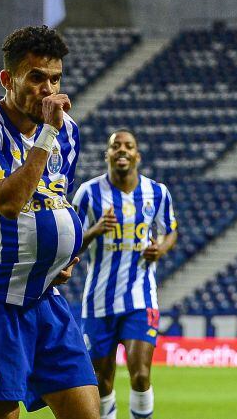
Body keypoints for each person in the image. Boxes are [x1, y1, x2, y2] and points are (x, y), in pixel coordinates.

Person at [0, 25, 99, 419]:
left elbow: (53, 201)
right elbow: (10, 202)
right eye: (36, 77)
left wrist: (58, 259)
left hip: (44, 297)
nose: (48, 90)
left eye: (55, 79)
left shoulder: (69, 134)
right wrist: (47, 133)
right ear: (7, 79)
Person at [72, 130, 178, 419]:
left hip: (140, 298)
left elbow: (170, 231)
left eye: (128, 146)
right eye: (115, 146)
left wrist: (161, 249)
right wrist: (95, 230)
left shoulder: (157, 192)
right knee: (102, 383)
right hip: (98, 302)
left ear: (137, 155)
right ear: (107, 154)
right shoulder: (88, 193)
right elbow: (69, 241)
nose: (122, 150)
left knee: (141, 375)